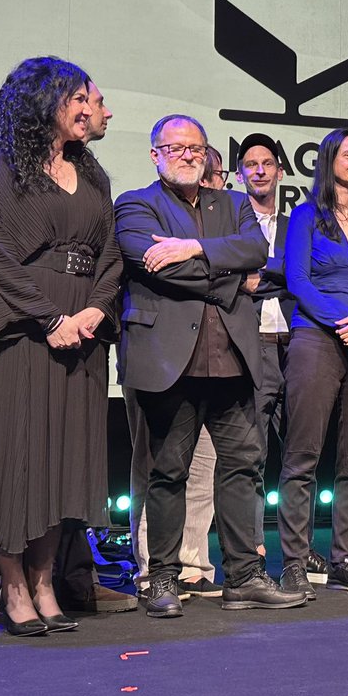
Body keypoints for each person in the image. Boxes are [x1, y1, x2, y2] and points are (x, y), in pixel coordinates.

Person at [115, 114, 305, 617]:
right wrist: (228, 279)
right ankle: (161, 579)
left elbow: (255, 250)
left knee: (243, 468)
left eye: (195, 149)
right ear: (155, 154)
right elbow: (150, 263)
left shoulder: (237, 203)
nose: (186, 155)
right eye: (174, 148)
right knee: (166, 474)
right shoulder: (136, 204)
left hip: (234, 360)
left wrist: (195, 247)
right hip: (168, 361)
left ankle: (244, 577)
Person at [0, 56, 123, 635]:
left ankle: (46, 580)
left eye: (88, 98)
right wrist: (48, 316)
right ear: (42, 103)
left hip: (81, 329)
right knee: (19, 457)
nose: (89, 108)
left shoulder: (94, 174)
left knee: (67, 461)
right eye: (77, 97)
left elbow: (112, 256)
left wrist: (93, 311)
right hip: (25, 334)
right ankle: (12, 588)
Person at [278, 128, 348, 595]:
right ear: (328, 161)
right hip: (317, 339)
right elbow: (298, 280)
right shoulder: (306, 215)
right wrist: (345, 323)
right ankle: (294, 561)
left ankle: (344, 557)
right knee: (302, 456)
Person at [124, 150, 226, 600]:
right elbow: (159, 265)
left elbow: (258, 264)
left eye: (214, 172)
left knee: (203, 467)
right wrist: (225, 271)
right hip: (158, 355)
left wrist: (216, 255)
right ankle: (151, 568)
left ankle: (192, 563)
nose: (209, 178)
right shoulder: (144, 205)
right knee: (157, 466)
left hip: (213, 358)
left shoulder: (223, 218)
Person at [234, 133, 305, 572]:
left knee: (300, 454)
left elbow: (300, 275)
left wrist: (269, 275)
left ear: (280, 170)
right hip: (252, 343)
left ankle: (298, 553)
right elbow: (232, 275)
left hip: (297, 343)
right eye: (250, 164)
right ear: (240, 173)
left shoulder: (297, 222)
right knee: (251, 453)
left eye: (266, 163)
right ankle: (253, 549)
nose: (259, 170)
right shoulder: (232, 221)